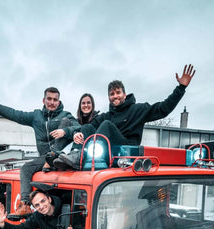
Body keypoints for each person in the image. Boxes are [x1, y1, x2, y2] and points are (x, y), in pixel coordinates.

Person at [56, 65, 196, 170]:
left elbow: (163, 109)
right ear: (109, 97)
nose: (115, 96)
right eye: (112, 94)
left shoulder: (138, 109)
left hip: (126, 150)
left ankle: (85, 157)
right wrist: (76, 133)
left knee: (106, 125)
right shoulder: (108, 115)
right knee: (87, 127)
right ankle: (75, 155)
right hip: (108, 151)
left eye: (118, 93)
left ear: (124, 94)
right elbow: (88, 127)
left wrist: (181, 88)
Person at [0, 88, 79, 213]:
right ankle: (25, 205)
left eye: (55, 100)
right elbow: (15, 114)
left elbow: (79, 127)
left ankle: (52, 158)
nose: (52, 102)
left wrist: (65, 131)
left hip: (61, 155)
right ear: (44, 100)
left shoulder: (65, 115)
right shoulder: (36, 116)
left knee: (66, 122)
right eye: (49, 99)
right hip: (45, 158)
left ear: (59, 101)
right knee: (25, 169)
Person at [0, 189, 72, 229]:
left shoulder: (67, 207)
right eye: (37, 205)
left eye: (43, 201)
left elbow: (82, 226)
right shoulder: (37, 217)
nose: (41, 206)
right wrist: (2, 224)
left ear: (49, 199)